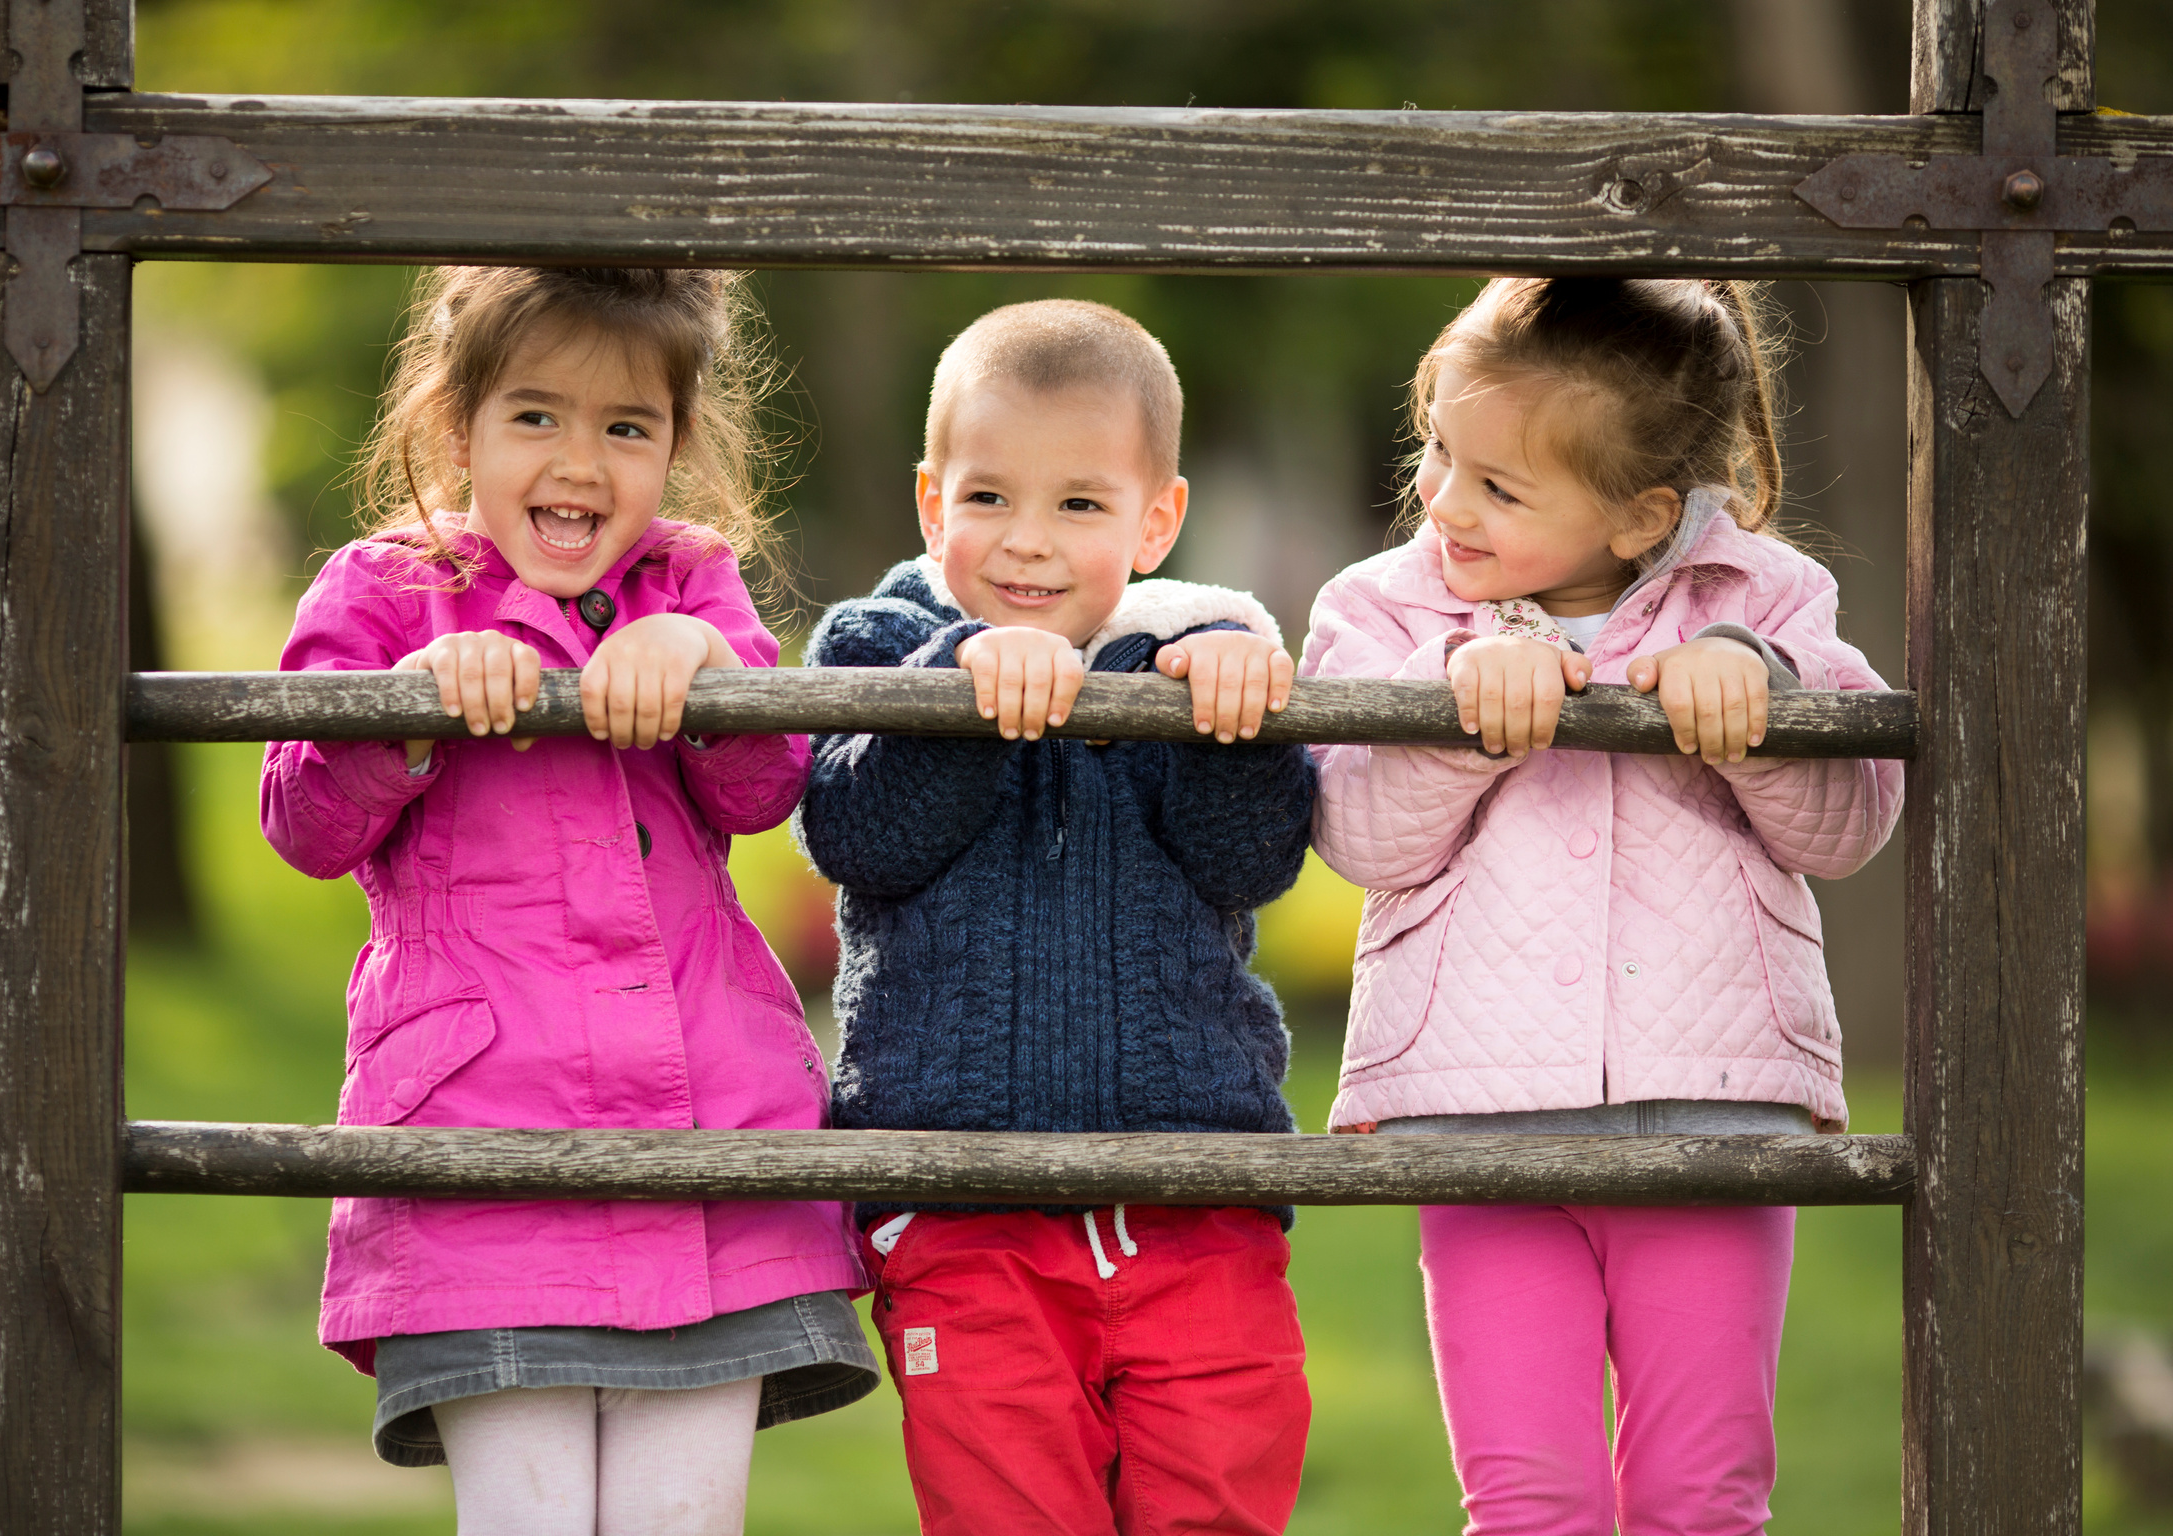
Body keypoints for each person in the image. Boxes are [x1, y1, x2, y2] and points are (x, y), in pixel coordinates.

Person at [261, 265, 875, 1536]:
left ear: (677, 446)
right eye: (536, 416)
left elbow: (766, 789)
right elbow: (305, 822)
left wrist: (705, 664)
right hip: (484, 1141)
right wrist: (411, 703)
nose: (581, 463)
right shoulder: (382, 590)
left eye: (626, 427)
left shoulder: (691, 581)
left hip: (704, 1140)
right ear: (458, 425)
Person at [1301, 276, 1905, 1536]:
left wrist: (1756, 701)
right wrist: (1456, 705)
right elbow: (1356, 836)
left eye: (1498, 488)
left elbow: (1848, 832)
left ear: (1642, 516)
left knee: (1703, 1496)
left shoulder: (1767, 601)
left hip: (1716, 1114)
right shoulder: (1387, 608)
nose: (1441, 501)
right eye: (1438, 451)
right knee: (1533, 1500)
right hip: (1477, 1125)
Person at [796, 299, 1318, 1536]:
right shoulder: (880, 641)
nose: (1027, 543)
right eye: (988, 499)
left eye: (1080, 505)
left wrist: (1233, 718)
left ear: (1155, 519)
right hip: (967, 1213)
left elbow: (1251, 863)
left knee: (1217, 1509)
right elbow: (857, 836)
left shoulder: (1193, 655)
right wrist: (957, 691)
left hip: (1198, 1202)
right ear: (932, 503)